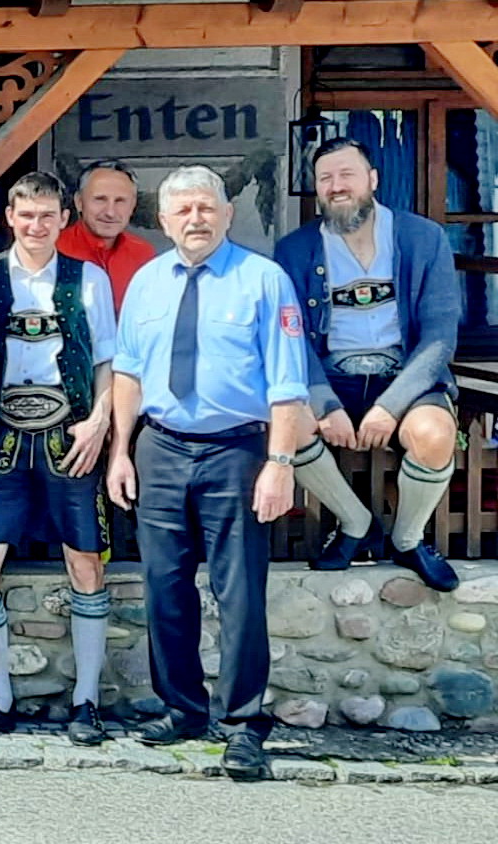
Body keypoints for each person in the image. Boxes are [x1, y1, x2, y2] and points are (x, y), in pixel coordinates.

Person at [106, 165, 309, 783]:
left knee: (239, 591)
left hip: (236, 452)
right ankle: (183, 708)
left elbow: (288, 383)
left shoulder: (264, 280)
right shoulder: (146, 283)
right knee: (163, 585)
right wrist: (120, 451)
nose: (195, 219)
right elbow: (128, 373)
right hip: (161, 448)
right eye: (183, 210)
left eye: (206, 207)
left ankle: (243, 723)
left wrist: (279, 464)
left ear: (226, 214)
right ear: (164, 220)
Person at [0, 172, 117, 745]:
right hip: (0, 436)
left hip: (70, 433)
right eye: (27, 215)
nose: (37, 225)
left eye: (48, 215)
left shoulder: (87, 278)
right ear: (10, 218)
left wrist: (99, 420)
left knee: (86, 563)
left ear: (64, 218)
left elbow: (108, 359)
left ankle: (86, 701)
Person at [275, 139, 460, 591]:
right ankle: (356, 524)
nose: (337, 186)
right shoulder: (295, 250)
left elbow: (440, 334)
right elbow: (290, 338)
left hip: (404, 376)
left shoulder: (422, 237)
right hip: (332, 376)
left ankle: (407, 539)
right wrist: (323, 402)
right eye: (326, 178)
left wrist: (390, 406)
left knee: (435, 436)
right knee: (285, 426)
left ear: (372, 179)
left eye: (347, 174)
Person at [57, 159, 156, 311]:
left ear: (133, 205)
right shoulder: (54, 250)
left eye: (120, 201)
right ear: (79, 202)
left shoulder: (143, 254)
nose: (110, 212)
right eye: (100, 199)